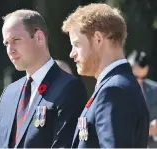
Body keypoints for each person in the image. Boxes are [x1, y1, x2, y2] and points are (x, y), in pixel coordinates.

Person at [0, 9, 87, 148]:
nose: (10, 50)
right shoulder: (9, 94)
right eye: (6, 43)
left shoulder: (69, 88)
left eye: (16, 40)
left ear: (39, 37)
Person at [62, 3, 149, 148]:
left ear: (98, 39)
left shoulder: (114, 91)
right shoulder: (117, 86)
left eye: (76, 44)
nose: (72, 54)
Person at [128, 50, 157, 147]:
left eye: (143, 77)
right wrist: (146, 131)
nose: (140, 82)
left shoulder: (154, 89)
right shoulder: (118, 91)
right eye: (136, 77)